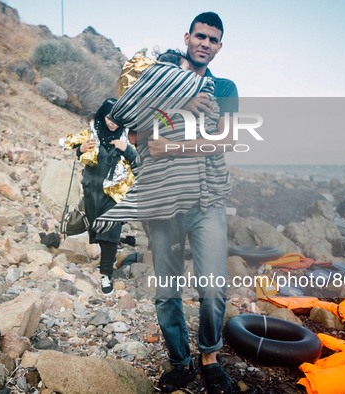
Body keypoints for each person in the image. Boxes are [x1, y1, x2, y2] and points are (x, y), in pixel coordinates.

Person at [104, 12, 239, 394]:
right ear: (187, 37)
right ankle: (180, 360)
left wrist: (173, 144)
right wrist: (180, 106)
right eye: (200, 36)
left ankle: (209, 357)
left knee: (212, 287)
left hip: (207, 199)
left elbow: (227, 141)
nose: (205, 44)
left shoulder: (225, 86)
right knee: (167, 291)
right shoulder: (158, 79)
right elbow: (133, 134)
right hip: (162, 199)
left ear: (219, 46)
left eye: (213, 40)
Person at [76, 98, 136, 295]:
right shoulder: (93, 131)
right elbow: (79, 152)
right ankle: (113, 248)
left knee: (109, 230)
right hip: (92, 189)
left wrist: (125, 148)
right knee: (97, 229)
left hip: (115, 192)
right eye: (110, 117)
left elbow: (139, 161)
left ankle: (106, 274)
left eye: (117, 120)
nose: (113, 122)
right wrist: (80, 149)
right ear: (103, 114)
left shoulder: (126, 137)